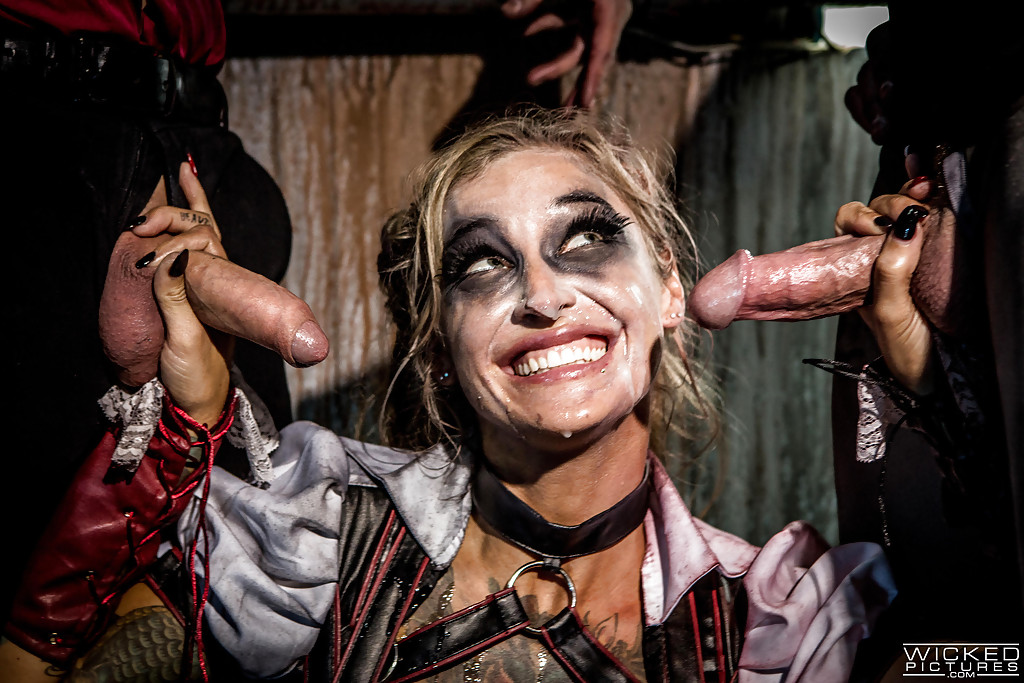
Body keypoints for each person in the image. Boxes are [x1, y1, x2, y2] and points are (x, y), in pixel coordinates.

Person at [4, 110, 910, 681]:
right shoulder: (317, 546)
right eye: (482, 263)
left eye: (586, 240)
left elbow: (978, 659)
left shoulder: (773, 625)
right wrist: (178, 427)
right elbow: (32, 665)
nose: (544, 296)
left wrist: (942, 386)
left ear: (668, 286)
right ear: (438, 342)